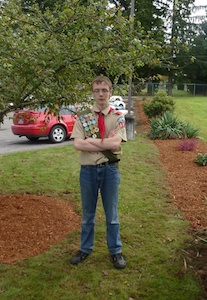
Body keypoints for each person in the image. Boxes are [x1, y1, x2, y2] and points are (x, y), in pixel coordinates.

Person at [70, 75, 127, 269]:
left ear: (110, 92)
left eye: (104, 90)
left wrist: (91, 142)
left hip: (110, 170)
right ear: (93, 93)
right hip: (88, 171)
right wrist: (104, 143)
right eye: (97, 90)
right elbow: (78, 144)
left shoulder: (118, 117)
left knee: (111, 215)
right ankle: (85, 249)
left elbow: (115, 143)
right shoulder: (84, 117)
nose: (100, 94)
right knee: (88, 214)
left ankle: (116, 251)